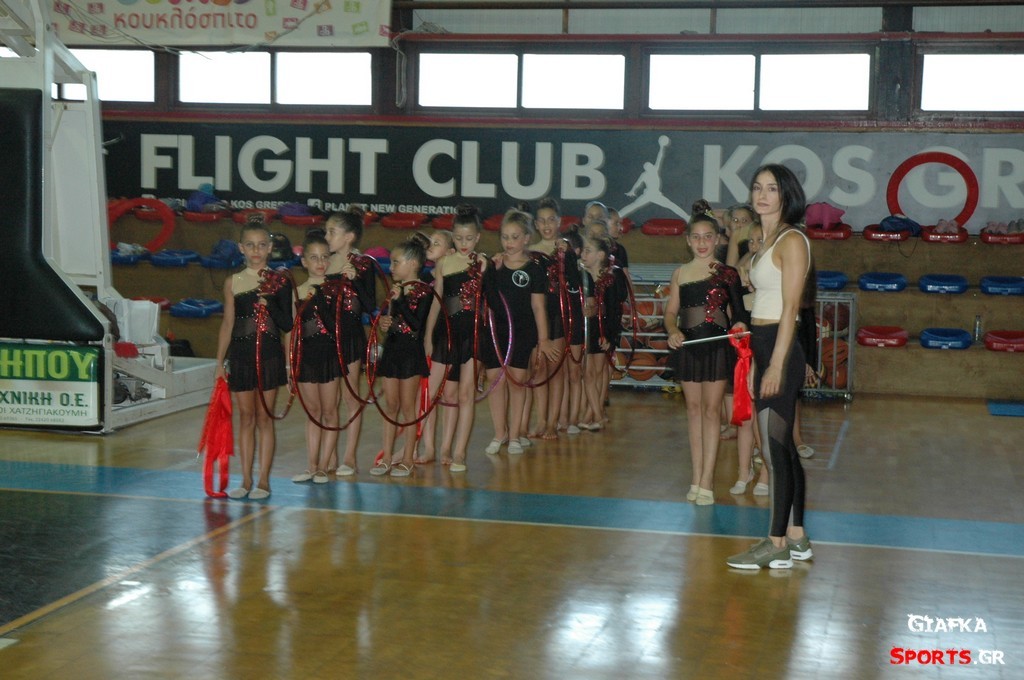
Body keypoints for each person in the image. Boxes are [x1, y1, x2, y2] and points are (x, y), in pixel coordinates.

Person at [726, 164, 813, 570]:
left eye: (772, 189)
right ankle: (796, 536)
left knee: (774, 453)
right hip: (763, 344)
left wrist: (775, 365)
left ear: (786, 195)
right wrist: (754, 357)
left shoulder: (792, 240)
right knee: (783, 450)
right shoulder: (767, 241)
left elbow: (791, 308)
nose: (762, 195)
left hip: (781, 348)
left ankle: (775, 542)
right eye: (757, 188)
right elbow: (764, 301)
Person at [663, 201, 749, 507]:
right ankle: (696, 475)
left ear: (718, 239)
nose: (702, 242)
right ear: (688, 240)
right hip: (689, 349)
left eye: (708, 236)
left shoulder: (727, 273)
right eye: (696, 237)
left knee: (713, 411)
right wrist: (672, 330)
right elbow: (670, 313)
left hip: (716, 349)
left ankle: (708, 479)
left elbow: (739, 313)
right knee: (693, 410)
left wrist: (739, 324)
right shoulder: (680, 273)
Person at [214, 215, 294, 500]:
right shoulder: (233, 282)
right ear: (241, 248)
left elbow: (288, 325)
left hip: (269, 356)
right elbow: (228, 323)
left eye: (261, 244)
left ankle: (263, 481)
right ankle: (246, 479)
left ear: (270, 247)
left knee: (264, 418)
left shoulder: (279, 281)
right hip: (241, 356)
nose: (256, 250)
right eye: (250, 245)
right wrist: (219, 362)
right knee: (246, 417)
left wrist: (289, 364)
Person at [480, 209, 554, 455]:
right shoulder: (494, 266)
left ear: (526, 239)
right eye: (505, 237)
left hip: (522, 331)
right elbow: (487, 300)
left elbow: (538, 306)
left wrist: (543, 339)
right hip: (496, 331)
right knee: (495, 380)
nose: (509, 242)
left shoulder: (534, 269)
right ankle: (499, 433)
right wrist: (492, 269)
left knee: (518, 381)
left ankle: (514, 435)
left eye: (514, 237)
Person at [422, 206, 487, 472]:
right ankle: (429, 447)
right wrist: (428, 336)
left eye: (469, 238)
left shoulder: (483, 264)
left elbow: (489, 304)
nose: (463, 243)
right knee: (431, 392)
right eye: (458, 238)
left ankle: (457, 451)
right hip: (445, 334)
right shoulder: (444, 264)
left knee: (464, 394)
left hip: (473, 335)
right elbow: (436, 303)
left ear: (478, 237)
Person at [370, 238, 433, 478]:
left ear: (413, 263)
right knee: (390, 406)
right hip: (393, 351)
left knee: (408, 407)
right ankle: (386, 457)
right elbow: (396, 323)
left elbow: (415, 325)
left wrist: (400, 300)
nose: (392, 267)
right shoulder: (397, 291)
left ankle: (407, 458)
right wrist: (386, 324)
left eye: (396, 262)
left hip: (411, 354)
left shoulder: (424, 291)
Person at [324, 209, 378, 476]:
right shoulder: (324, 263)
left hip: (351, 337)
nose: (326, 237)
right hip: (326, 338)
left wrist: (355, 280)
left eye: (331, 232)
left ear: (349, 237)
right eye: (326, 232)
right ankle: (330, 454)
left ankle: (350, 456)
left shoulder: (363, 264)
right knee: (328, 401)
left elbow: (369, 305)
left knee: (350, 396)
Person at [528, 197, 584, 440]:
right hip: (536, 314)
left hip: (559, 315)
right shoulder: (530, 252)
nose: (546, 225)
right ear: (535, 224)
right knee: (539, 369)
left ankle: (553, 422)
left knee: (556, 370)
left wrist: (567, 255)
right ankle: (541, 420)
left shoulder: (565, 251)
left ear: (559, 221)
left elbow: (575, 283)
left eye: (551, 220)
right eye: (542, 221)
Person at [291, 232, 342, 485]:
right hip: (307, 356)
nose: (320, 262)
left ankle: (324, 465)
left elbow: (336, 325)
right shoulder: (297, 292)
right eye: (314, 257)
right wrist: (290, 363)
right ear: (304, 262)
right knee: (313, 412)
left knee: (329, 411)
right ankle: (312, 465)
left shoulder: (336, 289)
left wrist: (322, 295)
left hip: (329, 355)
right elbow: (292, 331)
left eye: (324, 257)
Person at [579, 233, 627, 431]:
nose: (583, 254)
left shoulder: (610, 278)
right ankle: (593, 414)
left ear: (600, 255)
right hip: (589, 329)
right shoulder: (585, 276)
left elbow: (615, 310)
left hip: (602, 331)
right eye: (583, 250)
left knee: (594, 374)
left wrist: (609, 337)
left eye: (587, 251)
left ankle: (596, 415)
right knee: (591, 374)